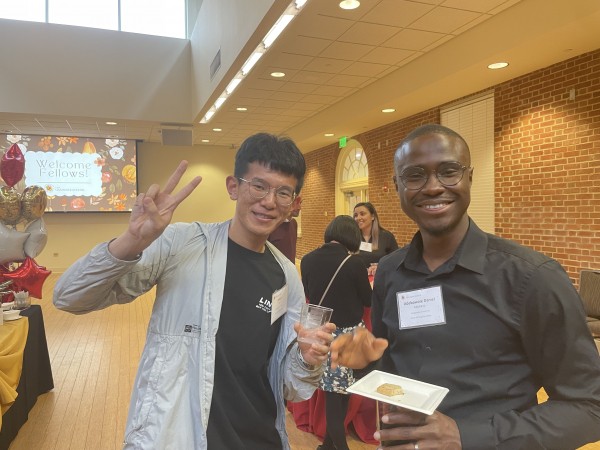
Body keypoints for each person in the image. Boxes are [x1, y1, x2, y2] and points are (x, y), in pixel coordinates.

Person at [53, 133, 335, 450]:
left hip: (260, 439)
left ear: (293, 203)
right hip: (179, 436)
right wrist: (131, 240)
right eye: (259, 186)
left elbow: (292, 388)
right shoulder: (181, 245)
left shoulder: (286, 276)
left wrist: (307, 359)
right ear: (234, 186)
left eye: (283, 192)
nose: (269, 201)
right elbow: (69, 297)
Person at [330, 124, 600, 449]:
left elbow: (590, 407)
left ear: (469, 178)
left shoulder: (532, 278)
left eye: (448, 171)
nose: (432, 187)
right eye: (415, 175)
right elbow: (398, 370)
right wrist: (369, 362)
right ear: (397, 186)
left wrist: (468, 437)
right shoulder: (390, 272)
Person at [300, 215, 372, 450]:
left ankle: (328, 445)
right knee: (340, 395)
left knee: (333, 391)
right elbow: (367, 299)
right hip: (348, 337)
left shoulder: (308, 259)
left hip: (321, 333)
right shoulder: (354, 263)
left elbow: (310, 293)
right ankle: (340, 446)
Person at [352, 202, 398, 274]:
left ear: (373, 216)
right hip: (356, 279)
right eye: (355, 215)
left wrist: (380, 267)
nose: (358, 218)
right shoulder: (351, 237)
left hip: (379, 279)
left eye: (362, 214)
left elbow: (395, 261)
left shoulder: (386, 236)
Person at [268, 196, 302, 263]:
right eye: (296, 203)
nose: (299, 208)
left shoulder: (294, 224)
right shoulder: (271, 225)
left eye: (300, 203)